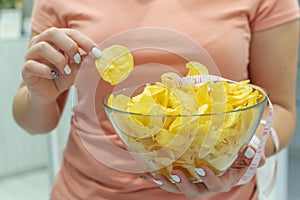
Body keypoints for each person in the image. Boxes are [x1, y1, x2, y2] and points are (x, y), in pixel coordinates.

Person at [12, 0, 299, 199]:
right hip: (87, 192)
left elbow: (282, 109)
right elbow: (35, 121)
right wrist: (40, 97)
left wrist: (244, 154)